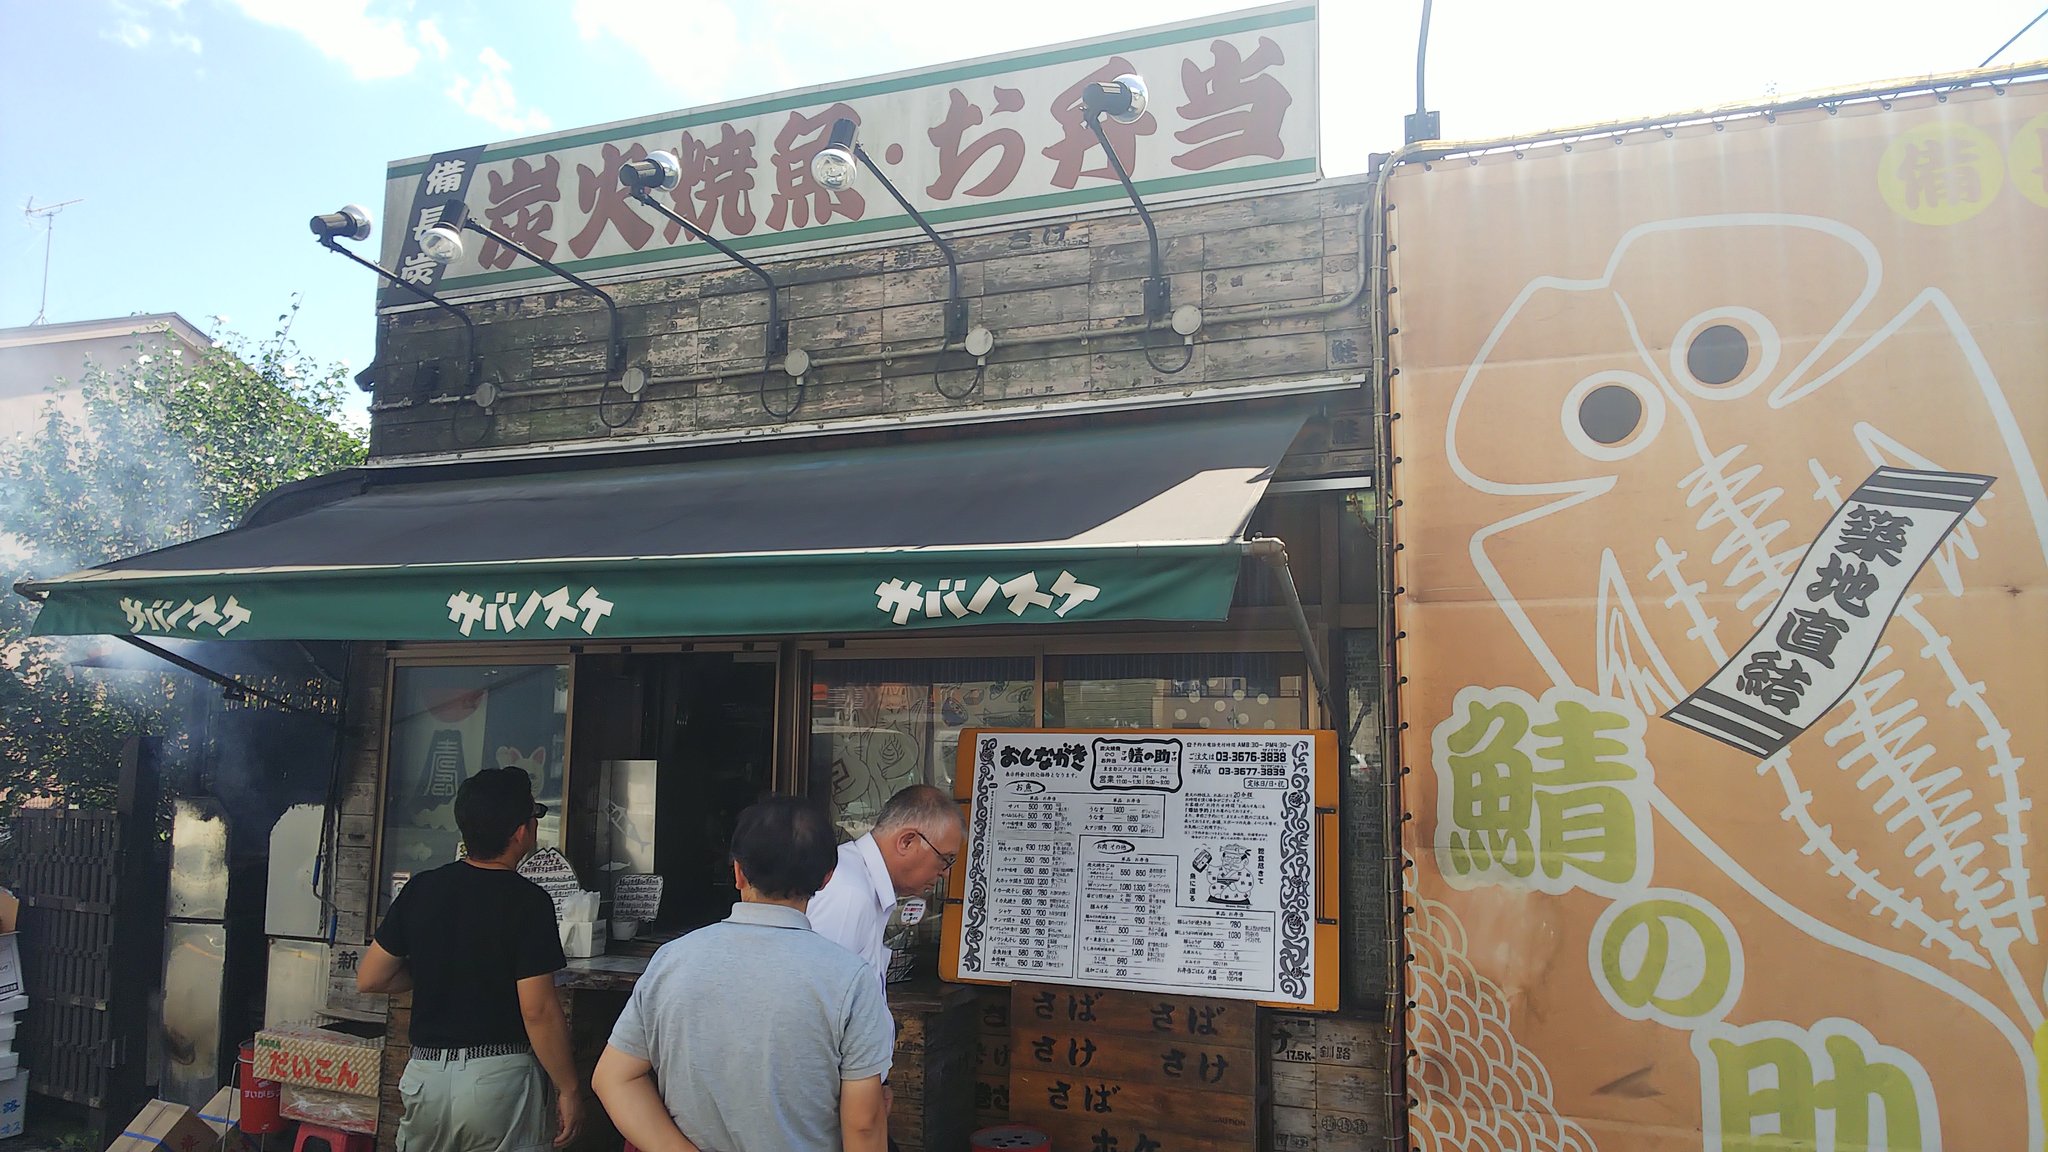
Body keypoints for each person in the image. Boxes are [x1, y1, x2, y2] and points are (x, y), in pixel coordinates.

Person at [592, 795, 893, 1152]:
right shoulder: (851, 979)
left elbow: (613, 1078)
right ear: (827, 878)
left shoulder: (672, 960)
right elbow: (863, 1125)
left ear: (737, 872)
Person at [357, 767, 583, 1152]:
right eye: (535, 814)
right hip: (498, 1081)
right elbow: (538, 1011)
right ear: (520, 832)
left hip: (425, 1078)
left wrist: (436, 967)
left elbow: (371, 977)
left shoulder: (422, 888)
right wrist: (570, 1088)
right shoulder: (528, 902)